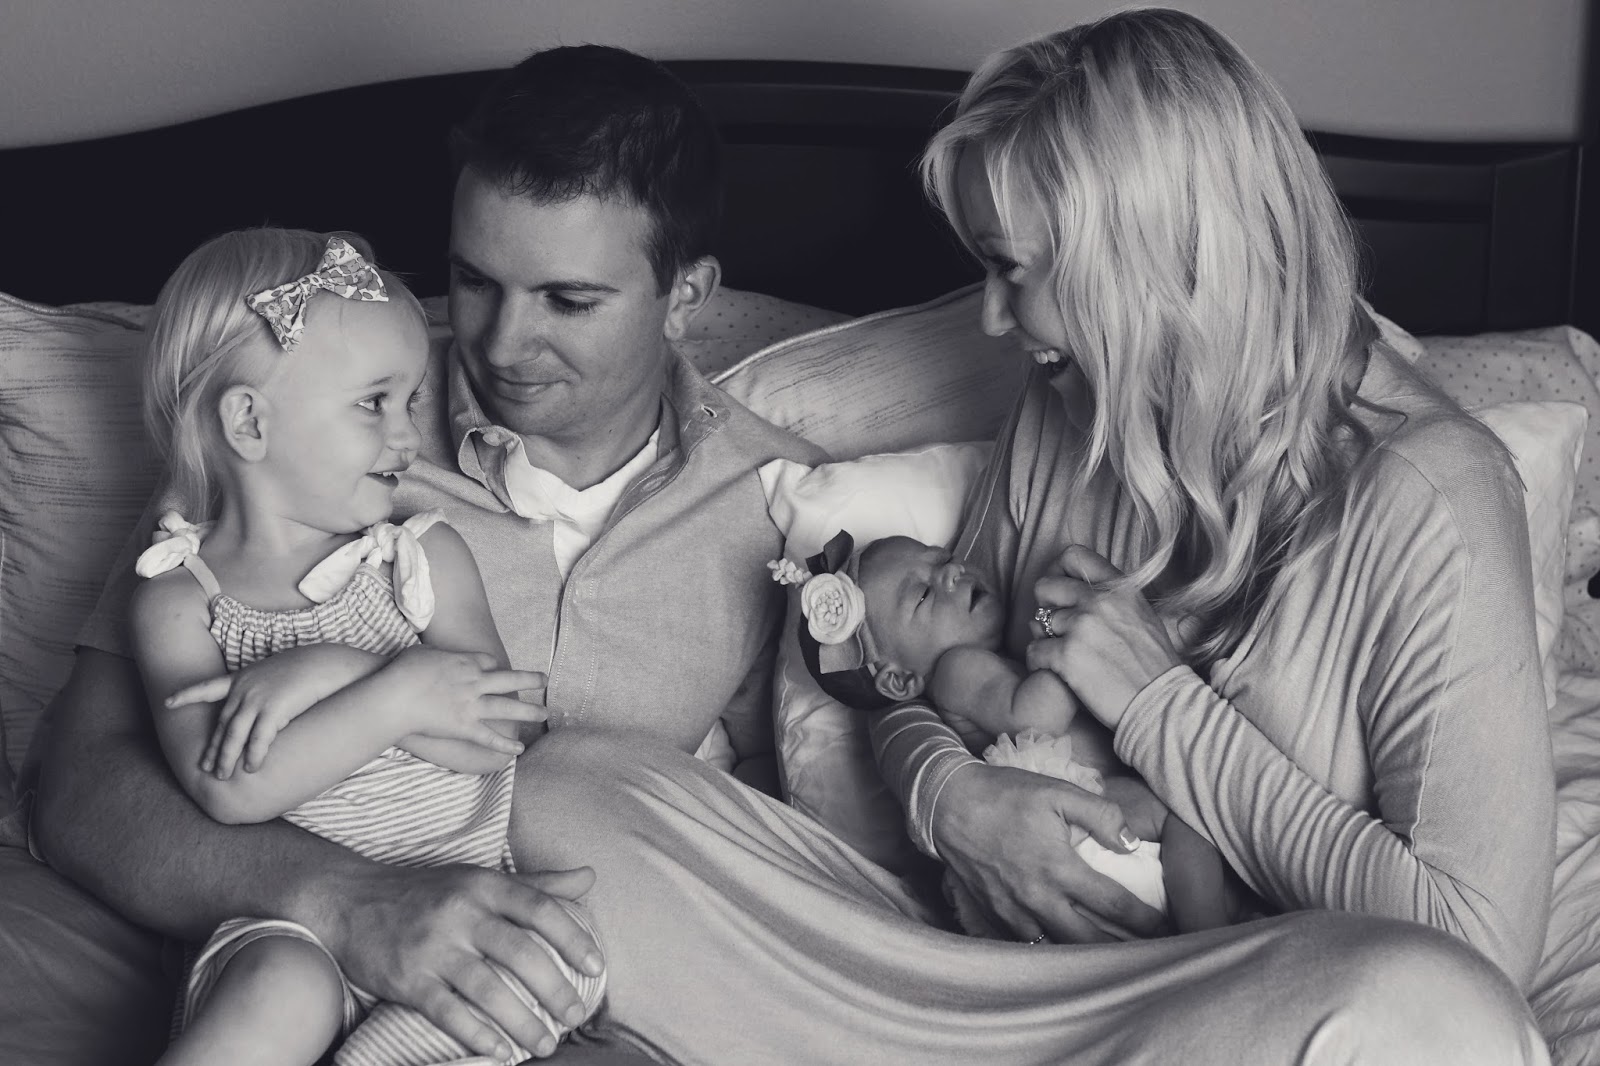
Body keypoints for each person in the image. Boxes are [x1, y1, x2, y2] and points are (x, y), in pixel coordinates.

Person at [475, 8, 1552, 1061]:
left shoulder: (1431, 496)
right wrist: (951, 798)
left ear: (1151, 262)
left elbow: (1474, 949)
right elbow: (925, 677)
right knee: (569, 792)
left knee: (1438, 1016)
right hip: (956, 976)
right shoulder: (1068, 405)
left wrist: (1159, 704)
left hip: (1212, 1005)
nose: (991, 318)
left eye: (1013, 271)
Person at [29, 46, 820, 1061]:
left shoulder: (781, 507)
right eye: (472, 281)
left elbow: (773, 842)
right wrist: (344, 900)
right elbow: (74, 784)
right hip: (246, 947)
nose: (501, 343)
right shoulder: (300, 417)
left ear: (686, 294)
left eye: (568, 300)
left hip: (551, 991)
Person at [129, 229, 602, 1066]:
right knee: (282, 982)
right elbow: (231, 790)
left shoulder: (419, 555)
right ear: (248, 422)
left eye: (410, 402)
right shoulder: (180, 598)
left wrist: (343, 673)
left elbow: (503, 731)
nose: (407, 436)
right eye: (372, 403)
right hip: (288, 924)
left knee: (559, 955)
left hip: (461, 898)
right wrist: (403, 695)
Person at [778, 528, 1232, 934]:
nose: (952, 571)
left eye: (943, 557)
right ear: (900, 681)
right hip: (1075, 823)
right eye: (924, 594)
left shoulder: (983, 664)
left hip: (1081, 832)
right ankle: (1209, 937)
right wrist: (1067, 645)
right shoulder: (956, 669)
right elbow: (1035, 719)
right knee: (1181, 820)